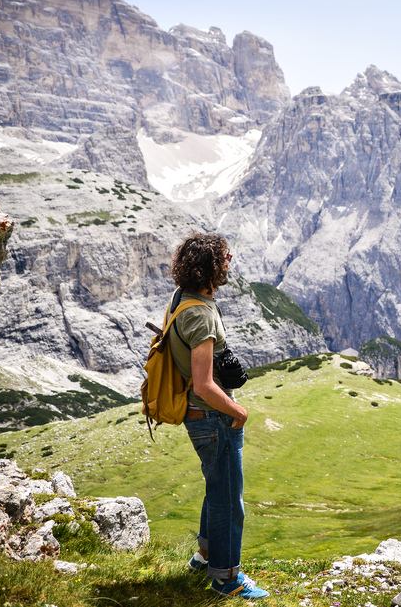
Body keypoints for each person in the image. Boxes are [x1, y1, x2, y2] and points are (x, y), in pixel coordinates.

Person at [168, 232, 268, 600]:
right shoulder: (201, 316)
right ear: (211, 265)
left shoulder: (183, 298)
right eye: (226, 257)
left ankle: (204, 555)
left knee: (217, 486)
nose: (231, 260)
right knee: (229, 500)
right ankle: (227, 578)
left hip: (200, 416)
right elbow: (204, 384)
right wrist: (238, 410)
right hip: (212, 417)